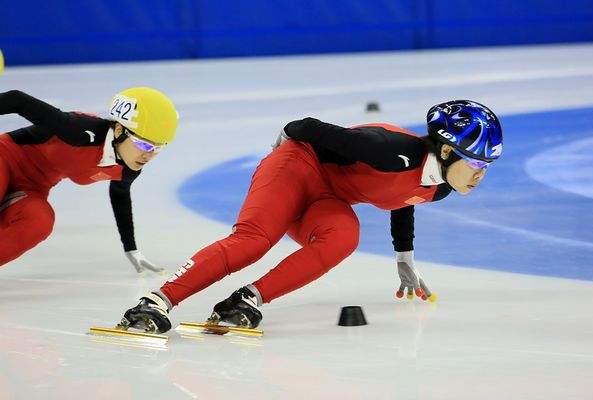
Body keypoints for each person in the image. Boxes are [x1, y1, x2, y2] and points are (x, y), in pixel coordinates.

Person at [120, 100, 503, 333]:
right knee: (254, 240)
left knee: (344, 236)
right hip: (295, 166)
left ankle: (246, 300)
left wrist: (404, 257)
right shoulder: (389, 149)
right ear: (448, 152)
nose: (480, 174)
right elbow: (308, 127)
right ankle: (154, 302)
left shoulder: (441, 187)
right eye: (476, 163)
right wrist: (282, 148)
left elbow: (405, 199)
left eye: (488, 165)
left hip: (327, 197)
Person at [0, 87, 178, 272]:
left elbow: (120, 195)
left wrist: (130, 247)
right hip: (4, 156)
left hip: (31, 188)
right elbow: (17, 100)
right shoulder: (81, 131)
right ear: (119, 130)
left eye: (158, 148)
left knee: (40, 221)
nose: (149, 155)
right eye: (144, 144)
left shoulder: (129, 168)